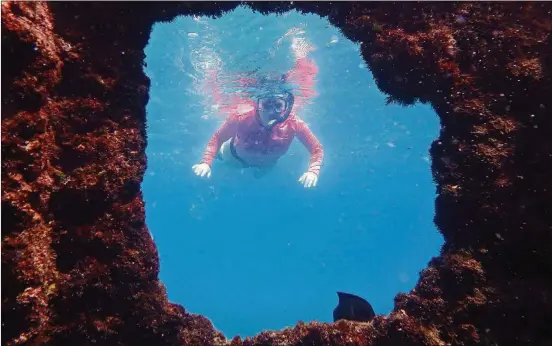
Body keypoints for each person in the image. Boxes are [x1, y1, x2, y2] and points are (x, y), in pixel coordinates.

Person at [192, 37, 323, 188]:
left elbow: (316, 148)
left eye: (279, 105)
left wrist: (313, 172)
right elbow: (217, 138)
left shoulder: (294, 123)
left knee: (259, 179)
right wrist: (206, 162)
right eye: (267, 104)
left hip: (267, 166)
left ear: (286, 106)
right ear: (257, 105)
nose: (273, 111)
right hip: (232, 157)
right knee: (220, 160)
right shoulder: (241, 118)